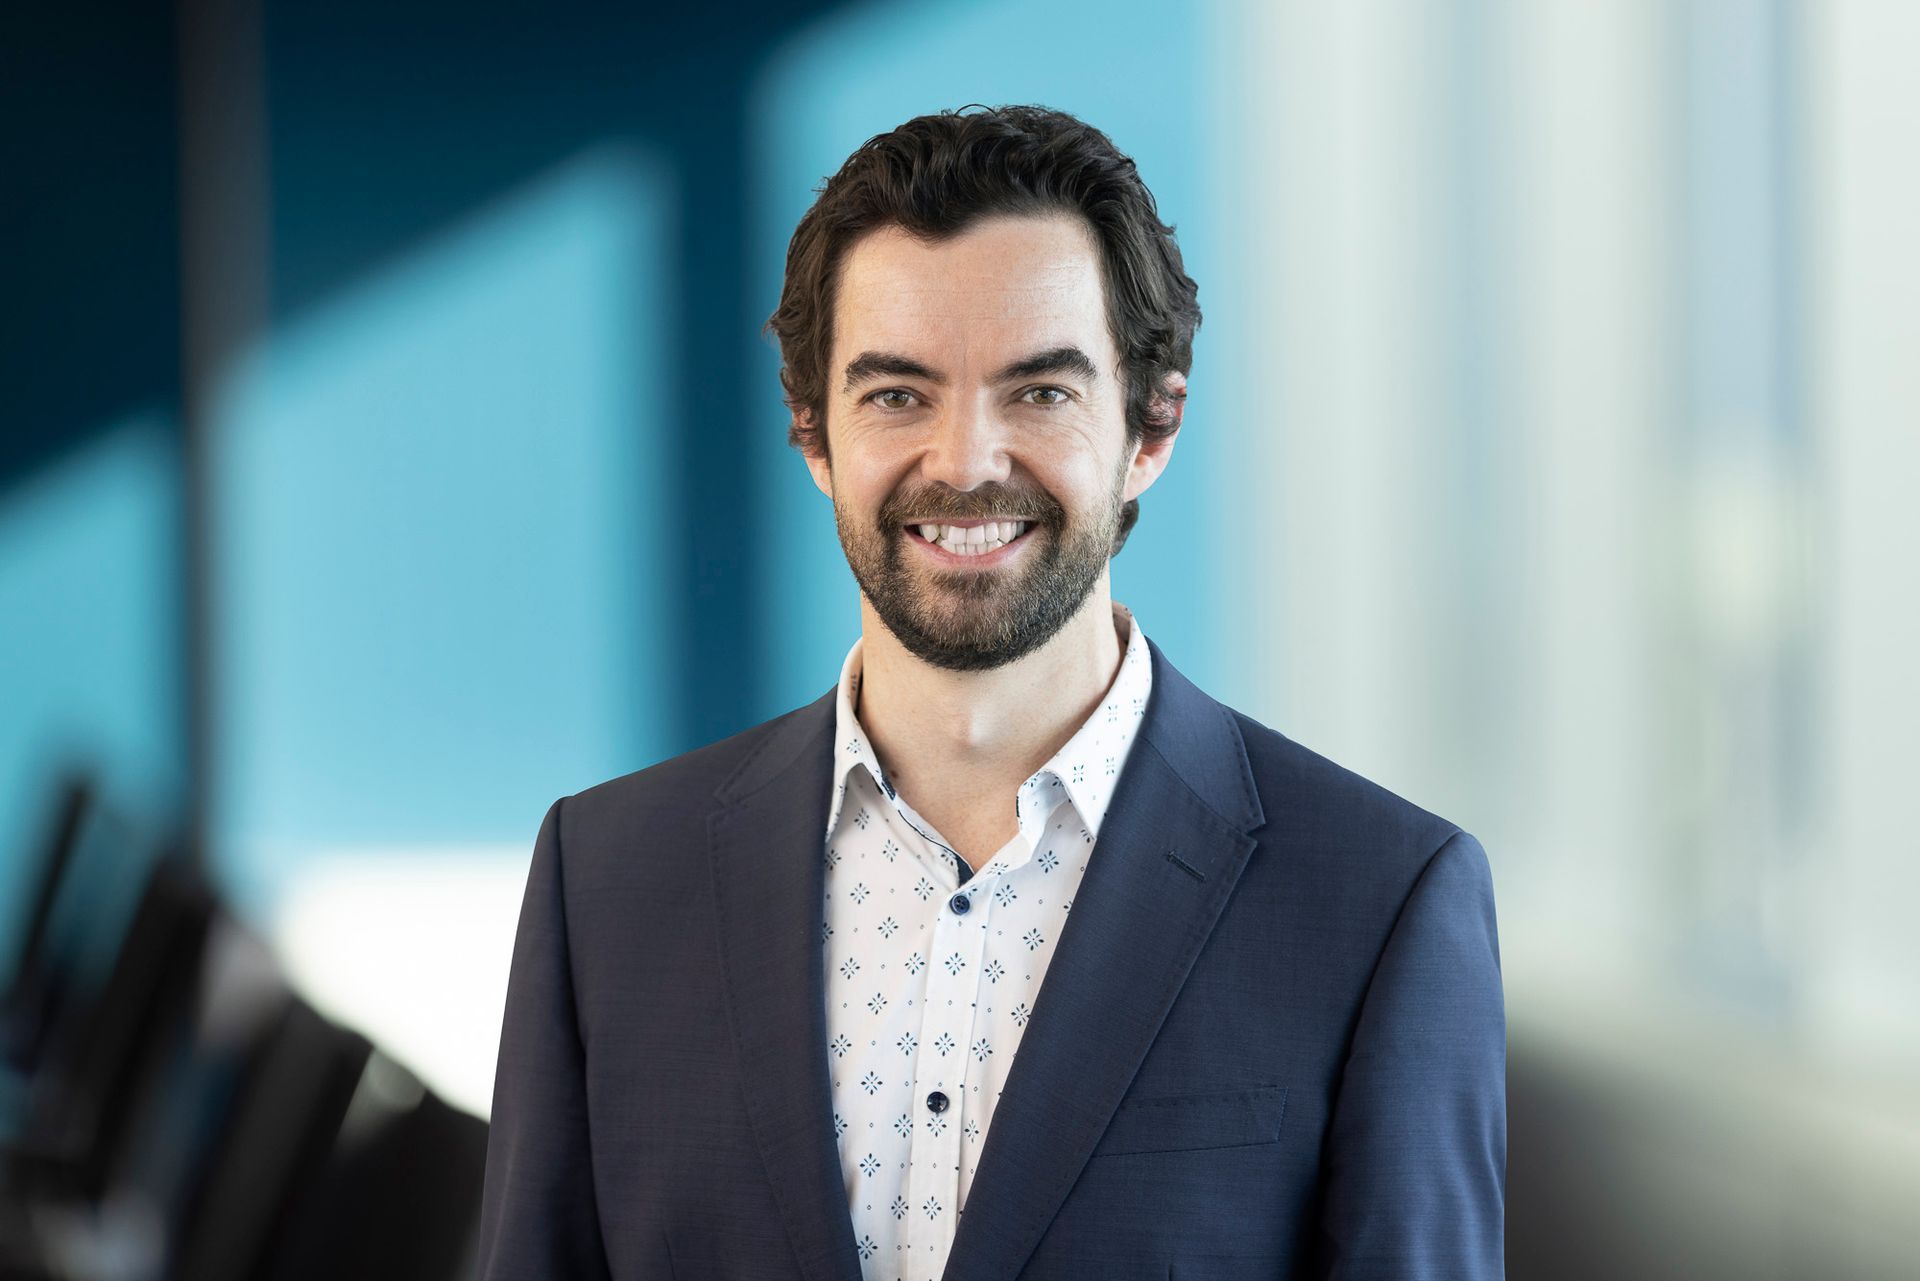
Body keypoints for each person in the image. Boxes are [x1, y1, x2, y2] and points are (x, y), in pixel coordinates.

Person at [476, 104, 1505, 1281]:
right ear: (813, 430)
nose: (965, 462)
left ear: (1151, 424)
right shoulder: (604, 883)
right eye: (897, 395)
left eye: (1040, 392)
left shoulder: (1379, 904)